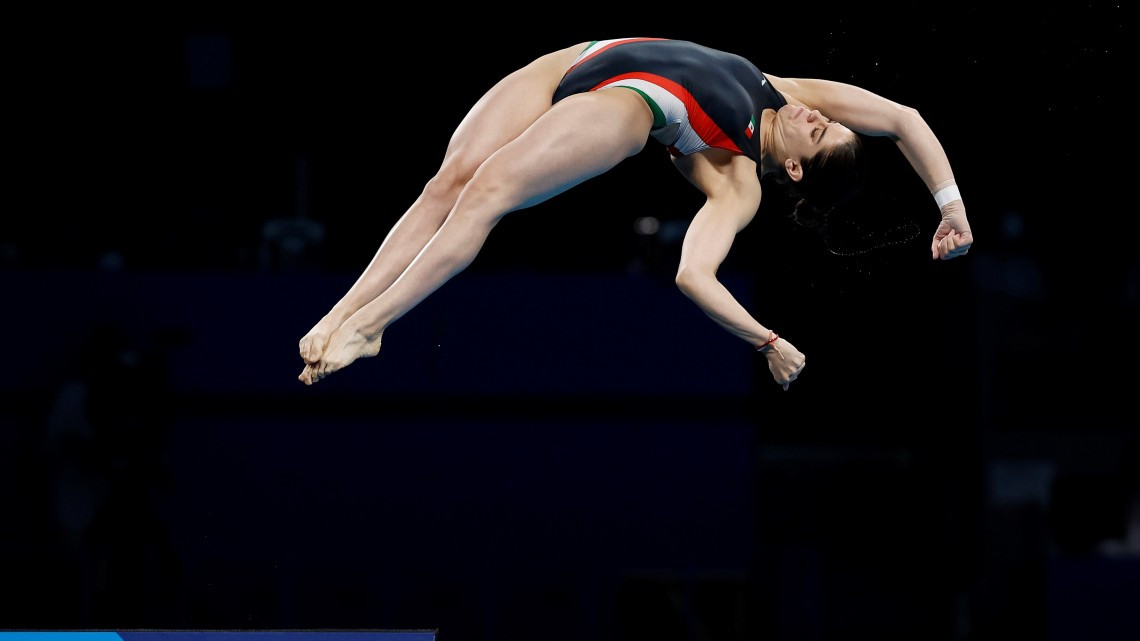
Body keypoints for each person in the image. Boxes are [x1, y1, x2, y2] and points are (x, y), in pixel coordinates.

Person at [297, 37, 973, 390]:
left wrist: (767, 341)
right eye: (826, 118)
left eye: (820, 131)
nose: (815, 114)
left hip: (627, 107)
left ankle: (372, 326)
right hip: (575, 60)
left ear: (795, 167)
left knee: (487, 193)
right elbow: (903, 119)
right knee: (444, 184)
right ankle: (339, 315)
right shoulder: (787, 90)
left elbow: (694, 275)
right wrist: (952, 209)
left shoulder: (739, 181)